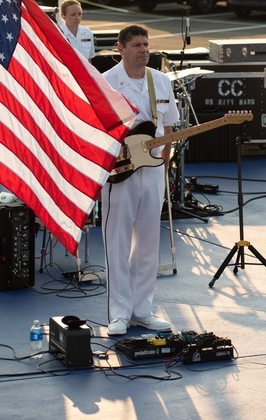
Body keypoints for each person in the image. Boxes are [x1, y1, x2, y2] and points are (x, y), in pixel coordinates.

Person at [101, 25, 177, 336]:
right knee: (118, 242)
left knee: (148, 242)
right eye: (136, 45)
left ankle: (142, 310)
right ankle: (119, 313)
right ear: (120, 48)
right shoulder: (106, 83)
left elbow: (169, 126)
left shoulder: (159, 81)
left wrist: (164, 160)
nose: (143, 50)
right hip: (121, 171)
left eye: (146, 44)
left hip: (154, 168)